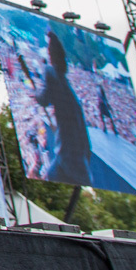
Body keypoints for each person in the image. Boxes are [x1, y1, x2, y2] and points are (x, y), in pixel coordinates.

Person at [34, 31, 92, 186]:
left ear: (50, 53)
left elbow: (44, 99)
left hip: (67, 154)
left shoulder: (49, 71)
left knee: (49, 179)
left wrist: (35, 93)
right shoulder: (67, 85)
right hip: (78, 156)